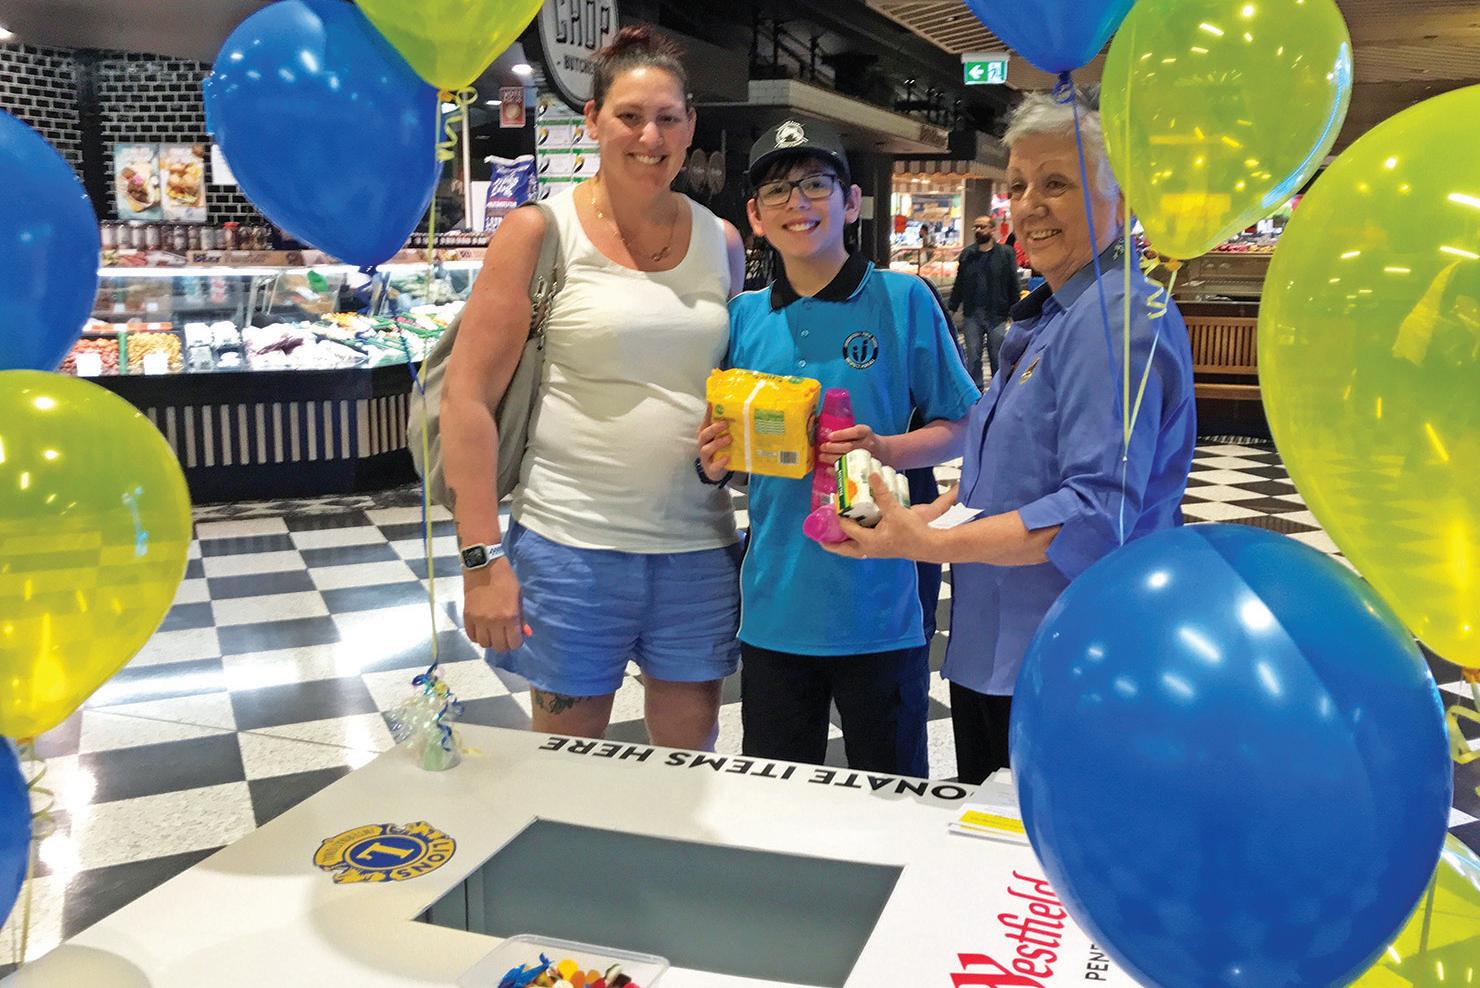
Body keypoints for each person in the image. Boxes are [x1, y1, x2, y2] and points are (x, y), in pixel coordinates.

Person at [822, 92, 1197, 785]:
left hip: (1070, 663)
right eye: (1019, 185)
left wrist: (926, 544)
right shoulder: (1059, 312)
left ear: (1121, 201)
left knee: (1031, 844)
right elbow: (1006, 482)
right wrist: (918, 516)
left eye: (1057, 183)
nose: (1030, 205)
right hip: (1004, 653)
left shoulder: (1115, 317)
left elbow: (1094, 514)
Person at [438, 27, 747, 747]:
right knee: (567, 769)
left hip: (697, 550)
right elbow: (466, 399)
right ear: (593, 120)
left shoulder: (723, 242)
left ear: (690, 126)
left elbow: (726, 389)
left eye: (668, 118)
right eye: (629, 116)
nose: (650, 137)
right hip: (569, 549)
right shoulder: (539, 233)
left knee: (687, 765)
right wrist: (482, 561)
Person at [698, 120, 980, 777]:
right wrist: (715, 462)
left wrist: (884, 447)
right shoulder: (742, 318)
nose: (797, 203)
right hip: (776, 602)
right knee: (780, 796)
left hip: (880, 602)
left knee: (890, 790)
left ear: (850, 202)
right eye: (777, 190)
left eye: (815, 184)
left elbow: (964, 425)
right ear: (755, 216)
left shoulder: (902, 300)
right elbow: (728, 452)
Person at [949, 215, 1020, 384]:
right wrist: (952, 308)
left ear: (992, 229)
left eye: (982, 226)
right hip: (972, 314)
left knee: (997, 356)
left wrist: (1016, 311)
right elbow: (959, 283)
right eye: (976, 227)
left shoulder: (1005, 254)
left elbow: (1012, 282)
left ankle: (998, 390)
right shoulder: (968, 254)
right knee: (973, 356)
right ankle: (976, 392)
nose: (978, 230)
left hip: (997, 314)